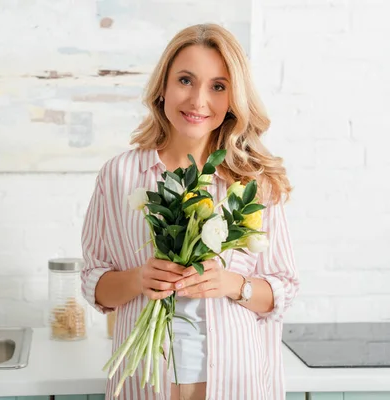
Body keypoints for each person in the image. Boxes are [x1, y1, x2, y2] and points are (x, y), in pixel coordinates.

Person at [80, 23, 300, 400]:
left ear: (234, 98)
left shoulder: (255, 182)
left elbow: (282, 289)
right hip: (145, 384)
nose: (198, 101)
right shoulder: (120, 174)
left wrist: (234, 284)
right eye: (185, 80)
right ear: (163, 86)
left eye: (218, 86)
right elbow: (94, 283)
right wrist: (138, 279)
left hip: (235, 383)